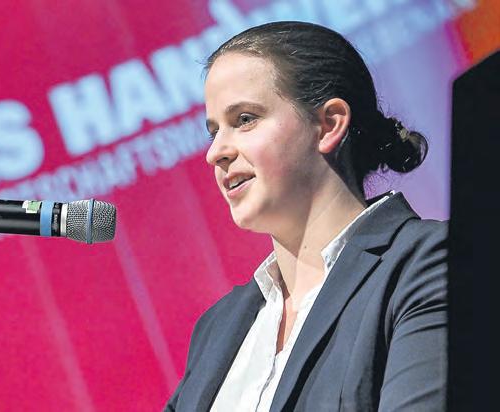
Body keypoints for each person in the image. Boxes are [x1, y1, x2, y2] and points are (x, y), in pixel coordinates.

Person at [165, 21, 447, 411]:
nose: (216, 153)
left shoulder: (429, 262)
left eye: (244, 119)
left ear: (329, 124)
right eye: (214, 131)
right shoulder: (217, 327)